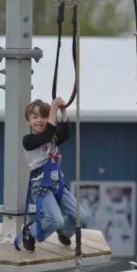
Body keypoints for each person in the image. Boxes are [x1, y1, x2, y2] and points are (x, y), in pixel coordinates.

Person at [21, 98, 88, 252]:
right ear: (28, 123)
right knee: (55, 219)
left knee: (81, 217)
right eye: (35, 117)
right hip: (41, 185)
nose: (39, 121)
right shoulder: (29, 141)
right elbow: (47, 134)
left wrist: (63, 111)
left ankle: (64, 233)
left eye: (43, 117)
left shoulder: (51, 137)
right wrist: (53, 108)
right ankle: (30, 231)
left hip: (57, 182)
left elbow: (65, 133)